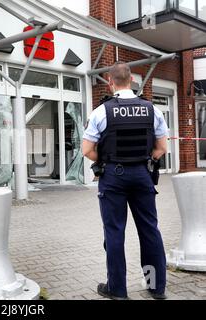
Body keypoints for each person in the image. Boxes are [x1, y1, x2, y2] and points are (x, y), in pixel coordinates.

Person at [82, 62, 168, 300]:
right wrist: (142, 160)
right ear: (131, 80)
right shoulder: (152, 109)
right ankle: (156, 287)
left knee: (114, 232)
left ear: (110, 81)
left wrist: (107, 158)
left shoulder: (101, 111)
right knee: (149, 230)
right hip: (142, 175)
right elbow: (161, 148)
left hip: (113, 177)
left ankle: (117, 290)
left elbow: (87, 149)